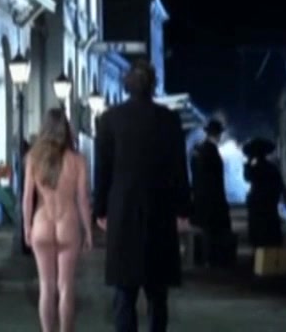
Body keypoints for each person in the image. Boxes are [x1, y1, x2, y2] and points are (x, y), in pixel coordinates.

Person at [93, 62, 192, 332]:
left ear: (127, 86)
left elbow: (103, 170)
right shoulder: (169, 120)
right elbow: (179, 169)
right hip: (160, 213)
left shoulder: (109, 119)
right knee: (158, 294)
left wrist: (100, 209)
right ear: (153, 86)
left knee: (124, 293)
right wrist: (183, 209)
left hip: (123, 213)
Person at [23, 109, 92, 332]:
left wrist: (27, 226)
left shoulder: (34, 159)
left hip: (42, 223)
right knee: (66, 287)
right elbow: (82, 199)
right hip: (67, 223)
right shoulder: (77, 161)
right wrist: (88, 230)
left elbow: (27, 198)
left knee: (46, 286)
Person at [191, 119, 232, 264]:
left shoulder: (198, 150)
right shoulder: (211, 150)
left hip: (201, 197)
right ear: (217, 134)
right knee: (214, 230)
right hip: (213, 198)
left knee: (206, 230)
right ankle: (212, 259)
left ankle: (207, 258)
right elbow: (215, 178)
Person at [243, 141, 284, 247]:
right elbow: (279, 185)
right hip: (270, 203)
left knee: (257, 231)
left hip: (256, 202)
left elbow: (247, 177)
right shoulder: (272, 167)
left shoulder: (253, 167)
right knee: (270, 230)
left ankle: (258, 247)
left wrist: (249, 162)